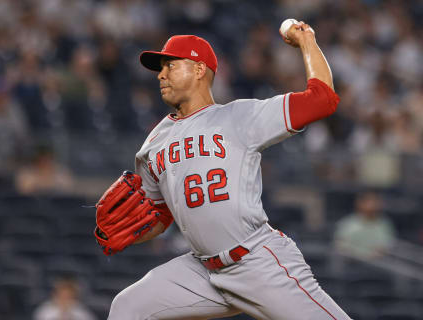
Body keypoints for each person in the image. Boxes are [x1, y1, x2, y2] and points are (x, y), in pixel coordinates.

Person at [107, 21, 351, 319]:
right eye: (161, 68)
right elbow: (159, 216)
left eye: (170, 65)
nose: (161, 74)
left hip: (256, 261)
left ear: (199, 70)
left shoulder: (240, 116)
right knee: (126, 308)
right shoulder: (153, 143)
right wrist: (132, 234)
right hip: (201, 272)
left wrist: (307, 41)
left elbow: (323, 99)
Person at [334, 191, 396, 260]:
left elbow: (388, 246)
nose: (374, 205)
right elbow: (341, 248)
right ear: (359, 203)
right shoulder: (347, 224)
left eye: (376, 201)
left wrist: (379, 253)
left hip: (379, 264)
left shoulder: (385, 224)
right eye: (369, 201)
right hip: (352, 264)